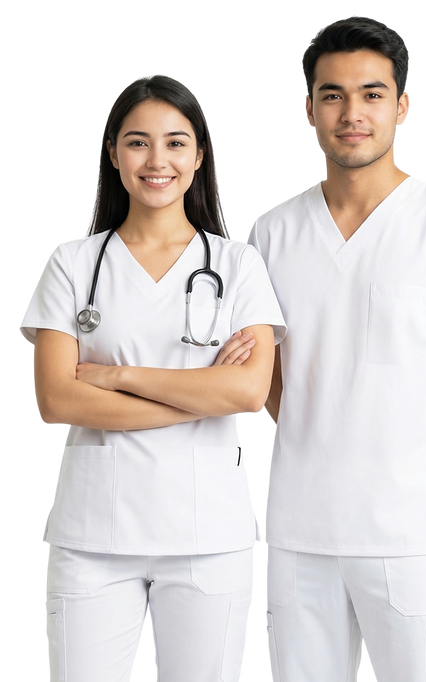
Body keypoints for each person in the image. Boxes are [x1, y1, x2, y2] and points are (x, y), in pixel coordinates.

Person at [247, 15, 426, 682]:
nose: (352, 114)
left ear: (402, 106)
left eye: (372, 94)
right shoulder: (271, 231)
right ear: (308, 111)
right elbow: (267, 377)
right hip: (298, 536)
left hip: (414, 539)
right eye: (333, 96)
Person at [18, 72, 286, 682]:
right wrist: (202, 395)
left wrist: (117, 376)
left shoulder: (238, 263)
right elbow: (56, 400)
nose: (156, 160)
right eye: (137, 142)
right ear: (113, 154)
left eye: (175, 142)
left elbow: (248, 392)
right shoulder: (71, 262)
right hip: (93, 535)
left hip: (208, 536)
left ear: (199, 156)